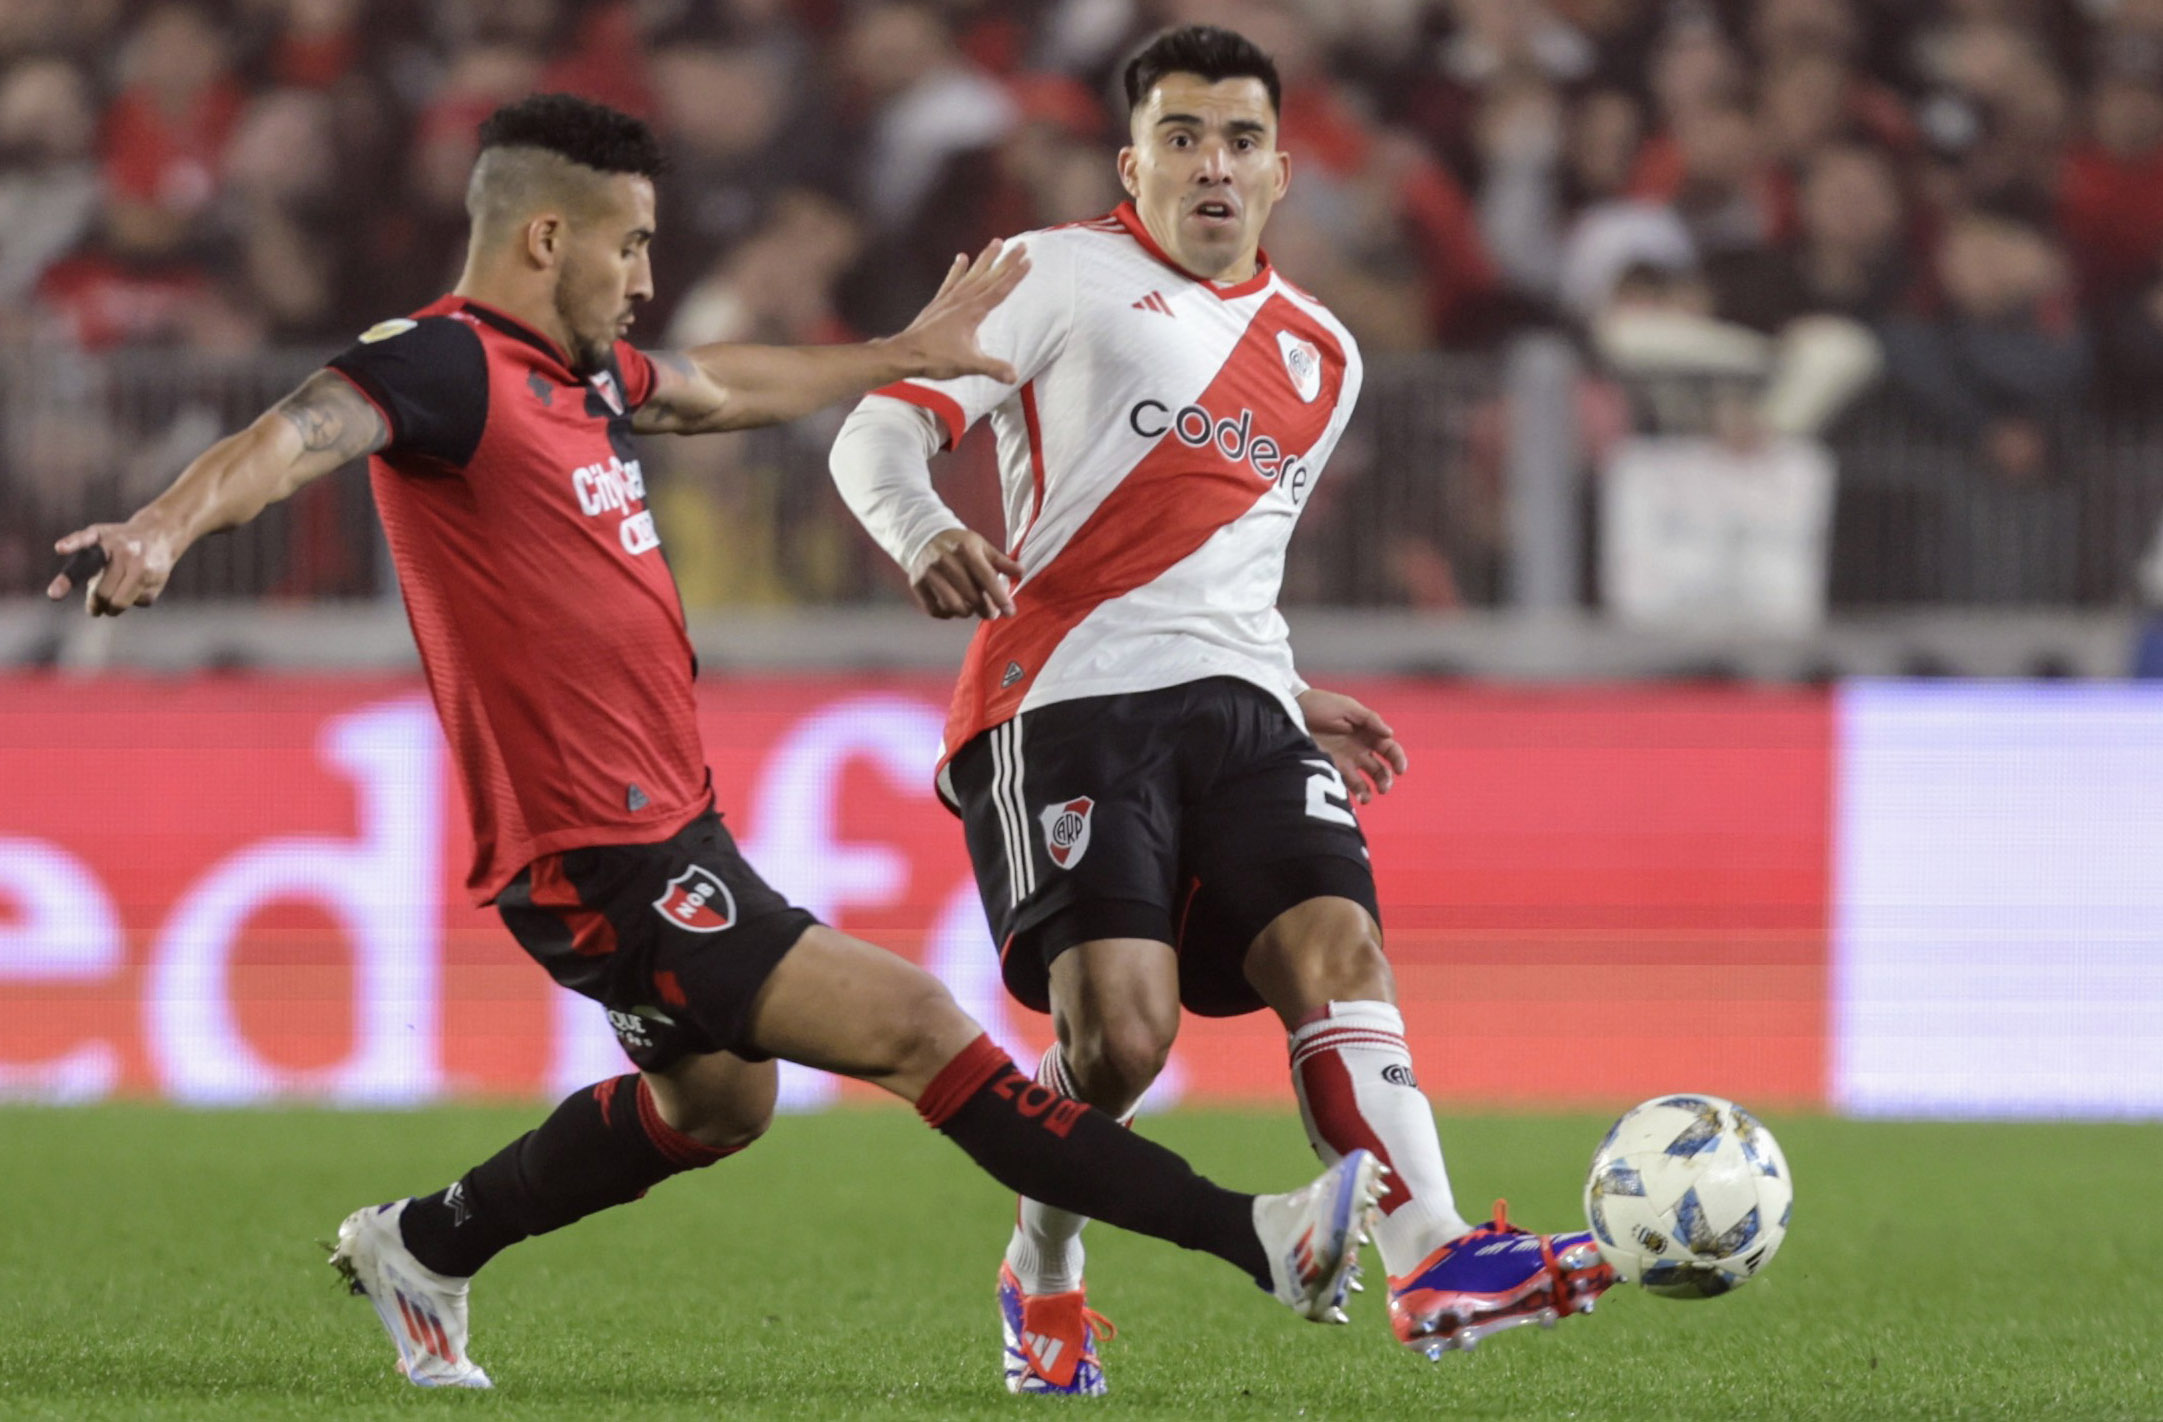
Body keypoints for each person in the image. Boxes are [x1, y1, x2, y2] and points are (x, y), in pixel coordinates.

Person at [45, 92, 1384, 1392]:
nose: (644, 277)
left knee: (717, 1103)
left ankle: (424, 1242)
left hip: (664, 825)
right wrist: (160, 531)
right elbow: (290, 436)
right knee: (923, 1027)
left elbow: (715, 389)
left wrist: (897, 351)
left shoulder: (578, 379)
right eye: (628, 245)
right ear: (544, 239)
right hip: (597, 853)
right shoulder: (444, 362)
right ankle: (1257, 1236)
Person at [828, 25, 1612, 1394]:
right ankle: (1045, 1266)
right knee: (1118, 1040)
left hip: (1243, 704)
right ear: (1130, 161)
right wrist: (913, 531)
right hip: (1061, 696)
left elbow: (1220, 564)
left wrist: (1288, 688)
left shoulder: (1325, 354)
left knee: (1339, 946)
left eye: (1239, 140)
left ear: (1283, 170)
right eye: (1181, 136)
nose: (1212, 163)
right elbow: (875, 431)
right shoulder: (1054, 275)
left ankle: (1432, 1256)